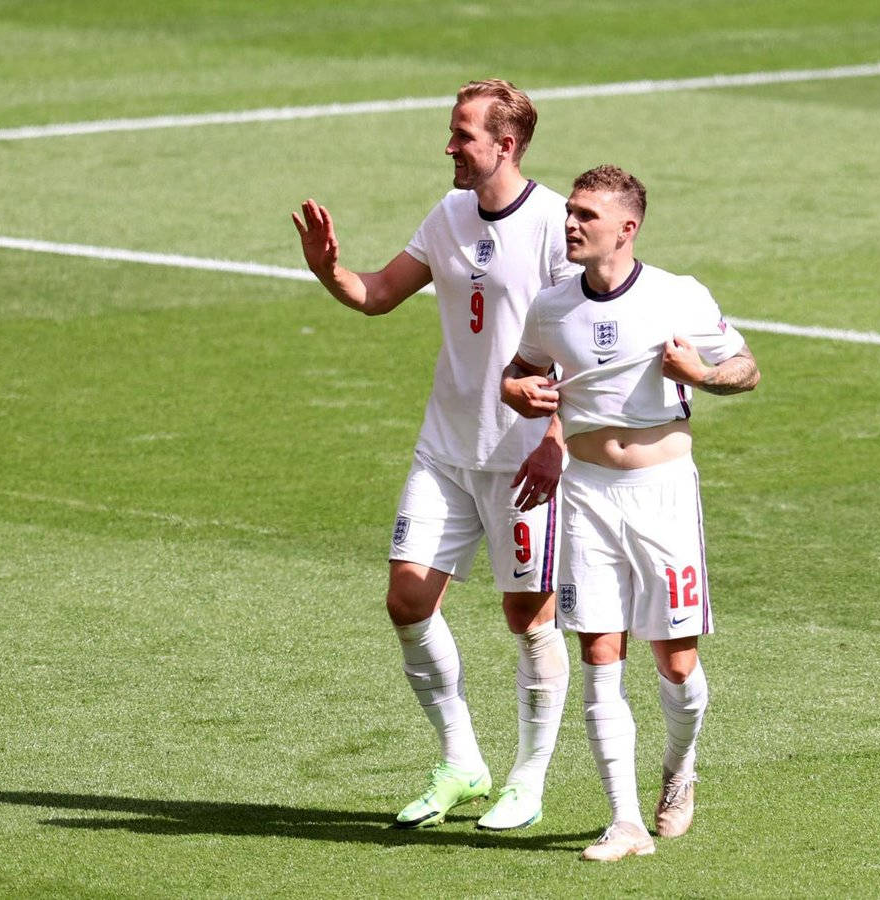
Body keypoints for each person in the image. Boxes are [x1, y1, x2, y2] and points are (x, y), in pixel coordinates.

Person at [291, 79, 579, 831]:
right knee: (408, 600)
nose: (449, 146)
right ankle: (462, 763)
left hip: (524, 461)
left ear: (504, 144)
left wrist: (554, 445)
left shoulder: (554, 225)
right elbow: (381, 292)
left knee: (529, 618)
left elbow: (577, 350)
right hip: (446, 452)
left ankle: (528, 778)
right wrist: (328, 268)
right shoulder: (450, 215)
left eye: (462, 134)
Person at [500, 164, 760, 861]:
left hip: (663, 496)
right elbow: (519, 373)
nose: (572, 222)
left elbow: (746, 367)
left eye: (587, 214)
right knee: (600, 654)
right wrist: (522, 397)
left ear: (627, 226)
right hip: (585, 495)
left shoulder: (678, 296)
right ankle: (623, 822)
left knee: (675, 665)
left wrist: (701, 375)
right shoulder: (552, 306)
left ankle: (679, 768)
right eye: (571, 212)